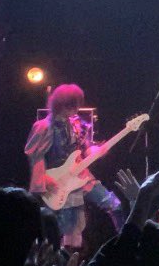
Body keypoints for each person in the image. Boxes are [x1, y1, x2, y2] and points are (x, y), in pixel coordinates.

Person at [24, 84, 120, 252]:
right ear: (61, 105)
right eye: (72, 106)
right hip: (59, 181)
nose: (76, 110)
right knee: (70, 229)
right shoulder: (43, 126)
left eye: (76, 106)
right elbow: (35, 155)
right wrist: (43, 179)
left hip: (81, 176)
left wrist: (97, 151)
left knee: (114, 205)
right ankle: (65, 262)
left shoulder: (76, 124)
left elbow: (85, 149)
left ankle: (124, 244)